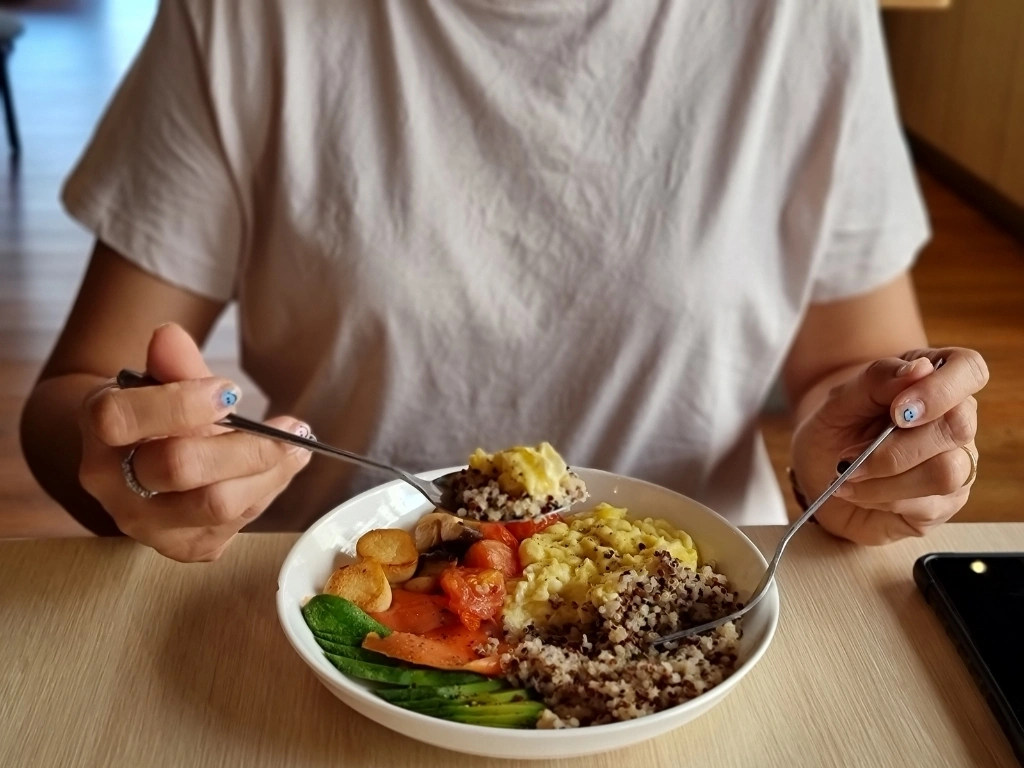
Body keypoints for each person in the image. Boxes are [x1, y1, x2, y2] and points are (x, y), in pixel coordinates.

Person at [19, 0, 987, 562]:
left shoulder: (801, 19)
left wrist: (868, 453)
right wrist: (136, 457)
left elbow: (853, 368)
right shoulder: (240, 19)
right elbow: (76, 397)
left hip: (702, 615)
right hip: (342, 611)